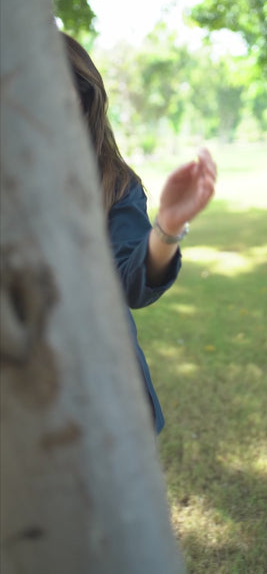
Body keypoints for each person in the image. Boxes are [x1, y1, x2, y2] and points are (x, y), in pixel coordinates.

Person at [61, 32, 217, 433]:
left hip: (105, 398)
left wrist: (167, 227)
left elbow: (130, 282)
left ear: (82, 103)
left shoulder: (113, 184)